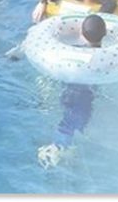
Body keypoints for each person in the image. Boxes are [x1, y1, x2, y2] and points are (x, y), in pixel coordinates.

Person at [37, 15, 106, 169]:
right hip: (85, 97)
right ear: (106, 33)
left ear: (81, 34)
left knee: (69, 120)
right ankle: (55, 149)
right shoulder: (107, 59)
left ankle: (58, 149)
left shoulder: (73, 52)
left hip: (68, 90)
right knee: (73, 124)